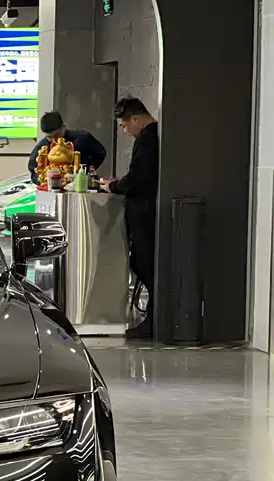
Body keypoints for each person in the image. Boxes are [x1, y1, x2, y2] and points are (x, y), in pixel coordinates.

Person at [102, 97, 159, 339]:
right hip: (143, 212)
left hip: (145, 214)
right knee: (139, 262)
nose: (125, 131)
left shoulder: (149, 139)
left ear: (137, 119)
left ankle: (155, 319)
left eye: (124, 126)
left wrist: (114, 187)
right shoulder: (149, 137)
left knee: (145, 264)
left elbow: (137, 178)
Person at [28, 111, 107, 184]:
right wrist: (44, 179)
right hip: (53, 186)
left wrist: (86, 171)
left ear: (64, 126)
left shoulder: (83, 138)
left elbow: (100, 152)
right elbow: (33, 171)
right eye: (49, 137)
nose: (54, 140)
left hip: (83, 184)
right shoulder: (42, 148)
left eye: (56, 135)